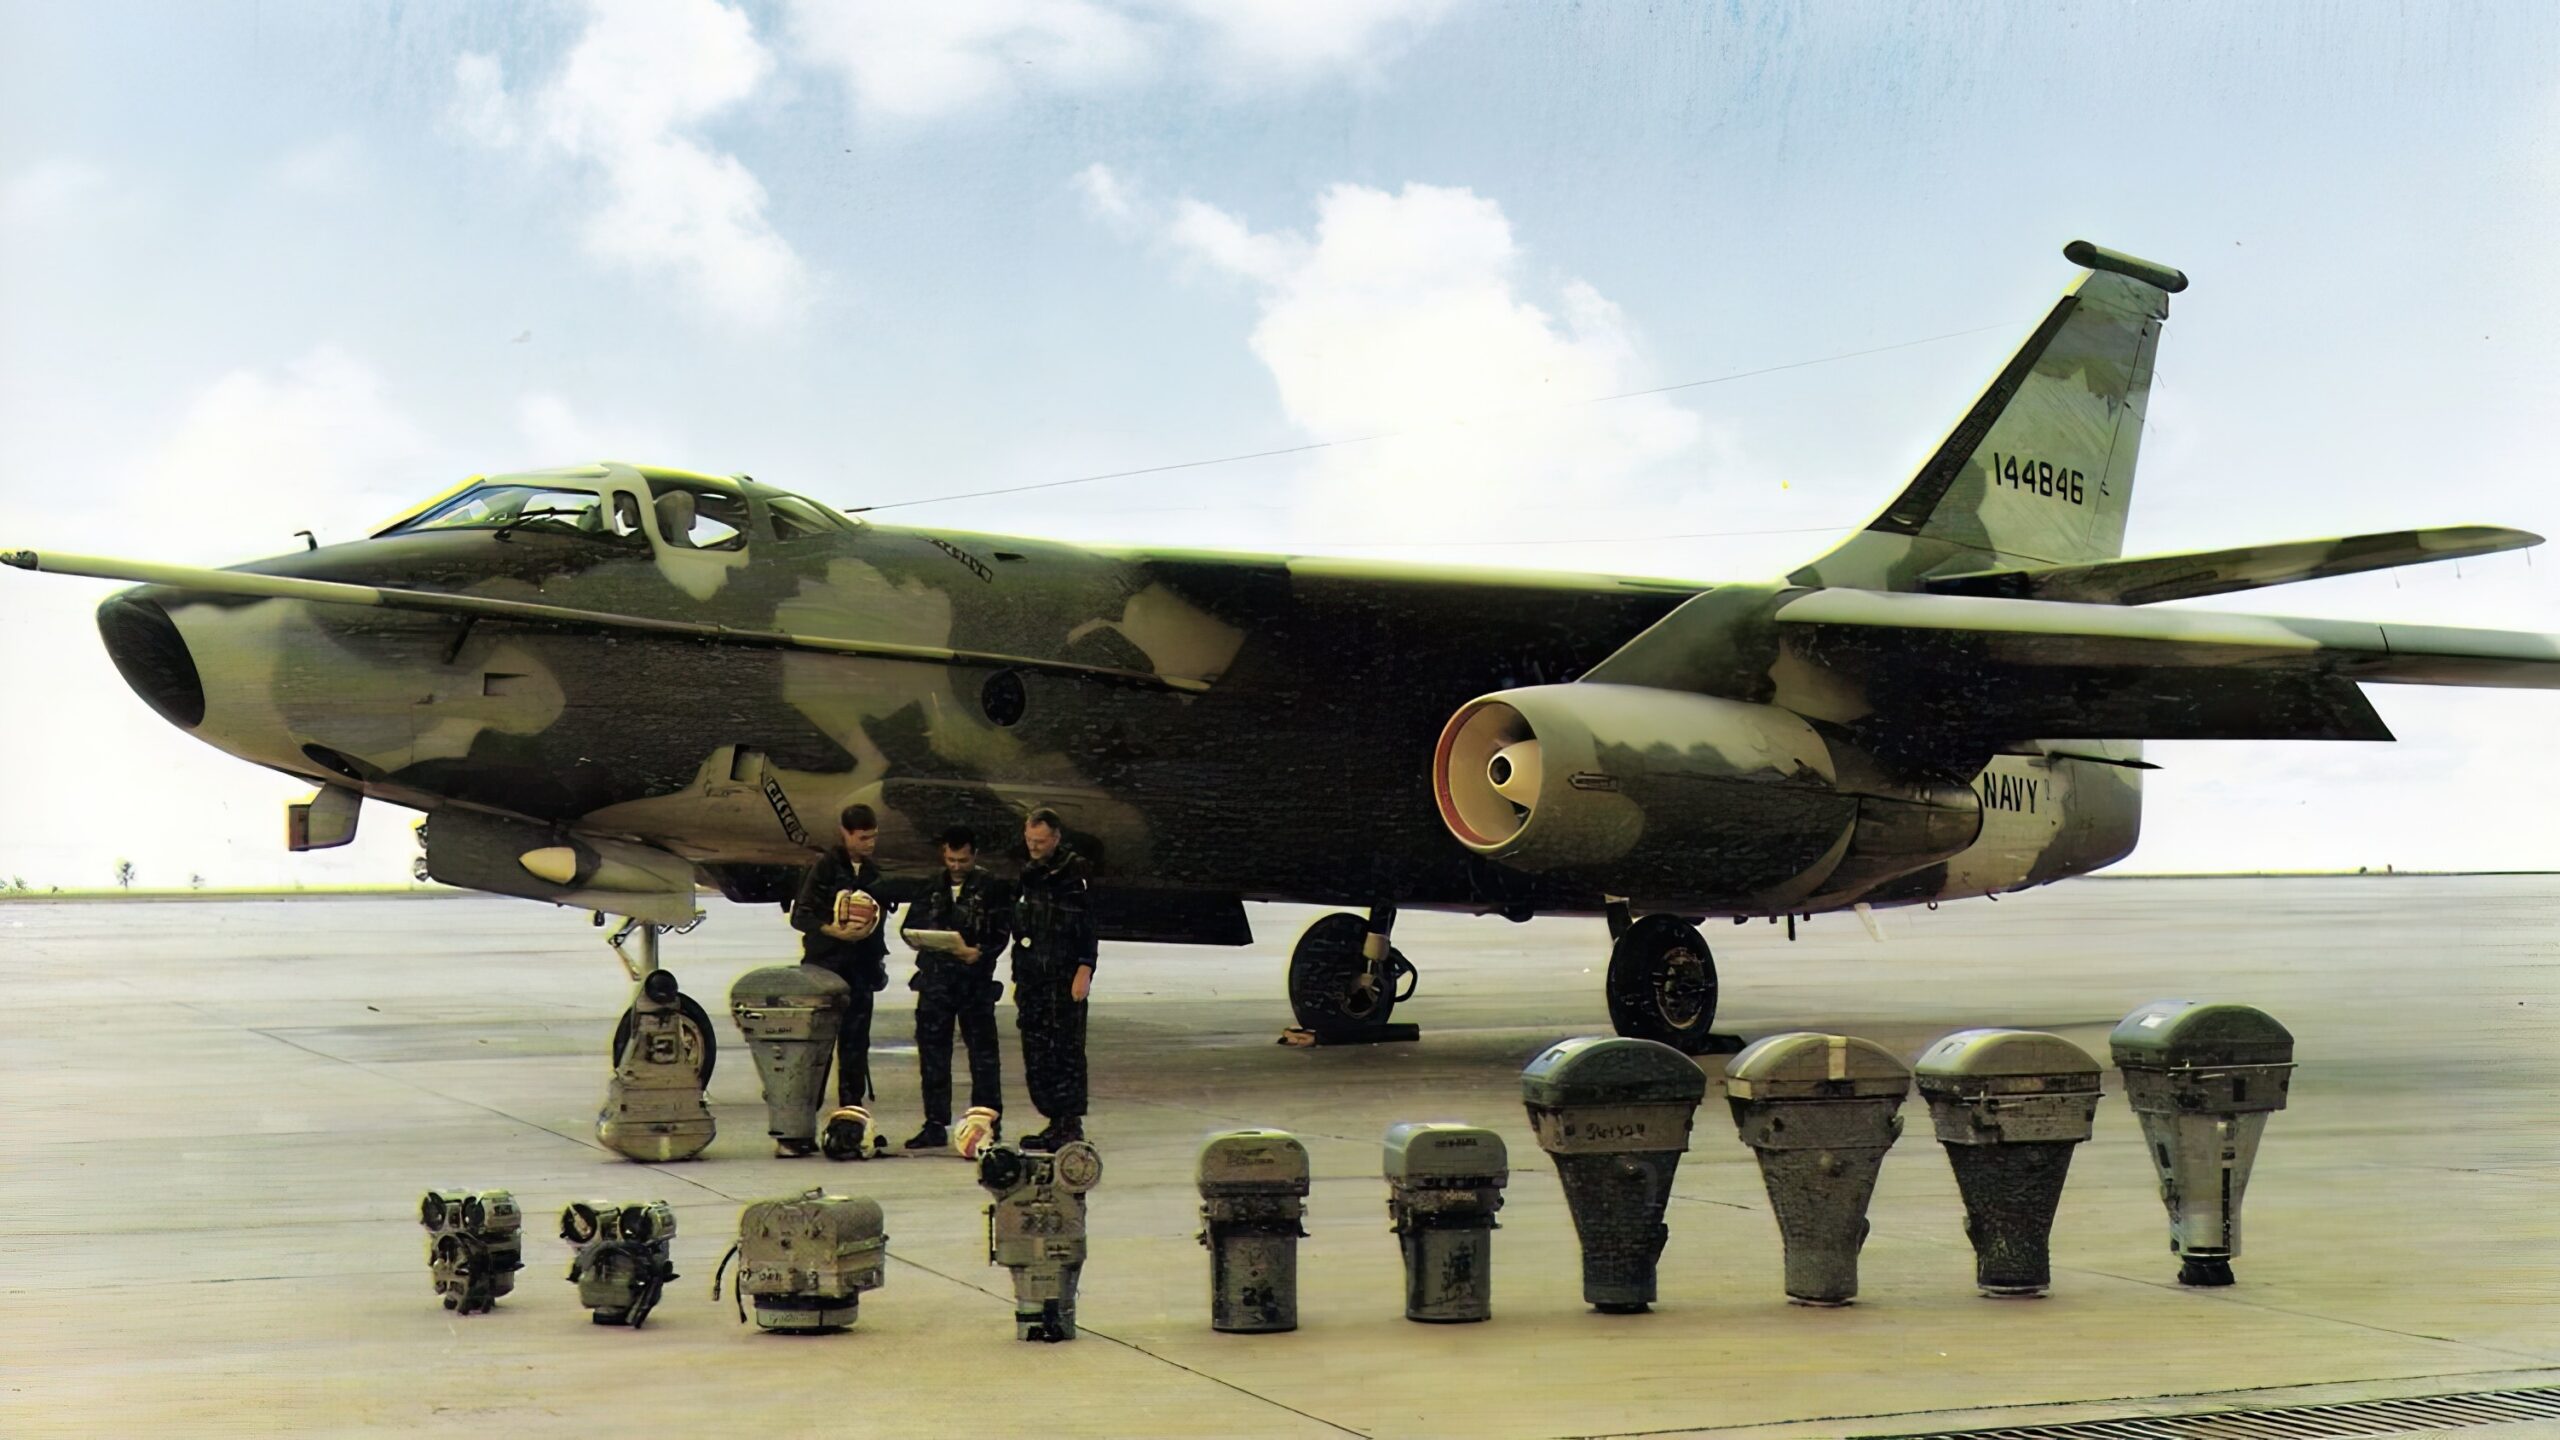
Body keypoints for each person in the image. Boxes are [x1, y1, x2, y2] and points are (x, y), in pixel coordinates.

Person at [785, 802, 895, 1156]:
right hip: (826, 967)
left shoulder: (875, 873)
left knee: (855, 1048)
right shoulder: (824, 868)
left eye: (874, 837)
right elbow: (800, 915)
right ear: (845, 833)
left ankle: (850, 1118)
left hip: (860, 969)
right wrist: (832, 930)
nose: (869, 844)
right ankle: (801, 1125)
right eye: (863, 838)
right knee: (817, 1049)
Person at [897, 825, 1010, 1151]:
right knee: (933, 1054)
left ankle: (987, 1119)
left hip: (973, 982)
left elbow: (1002, 932)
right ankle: (935, 1123)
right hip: (936, 983)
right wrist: (919, 939)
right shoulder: (933, 886)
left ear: (974, 855)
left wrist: (979, 953)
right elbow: (909, 925)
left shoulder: (991, 888)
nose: (956, 866)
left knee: (984, 1057)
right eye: (951, 859)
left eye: (962, 860)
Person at [1010, 808, 1096, 1151]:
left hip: (1064, 975)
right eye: (1029, 840)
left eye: (1040, 841)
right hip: (1033, 976)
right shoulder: (1029, 872)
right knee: (1036, 1049)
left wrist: (1085, 968)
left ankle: (1069, 1121)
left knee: (1066, 1050)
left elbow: (1088, 924)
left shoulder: (1075, 873)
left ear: (1056, 838)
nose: (1033, 846)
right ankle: (1052, 1117)